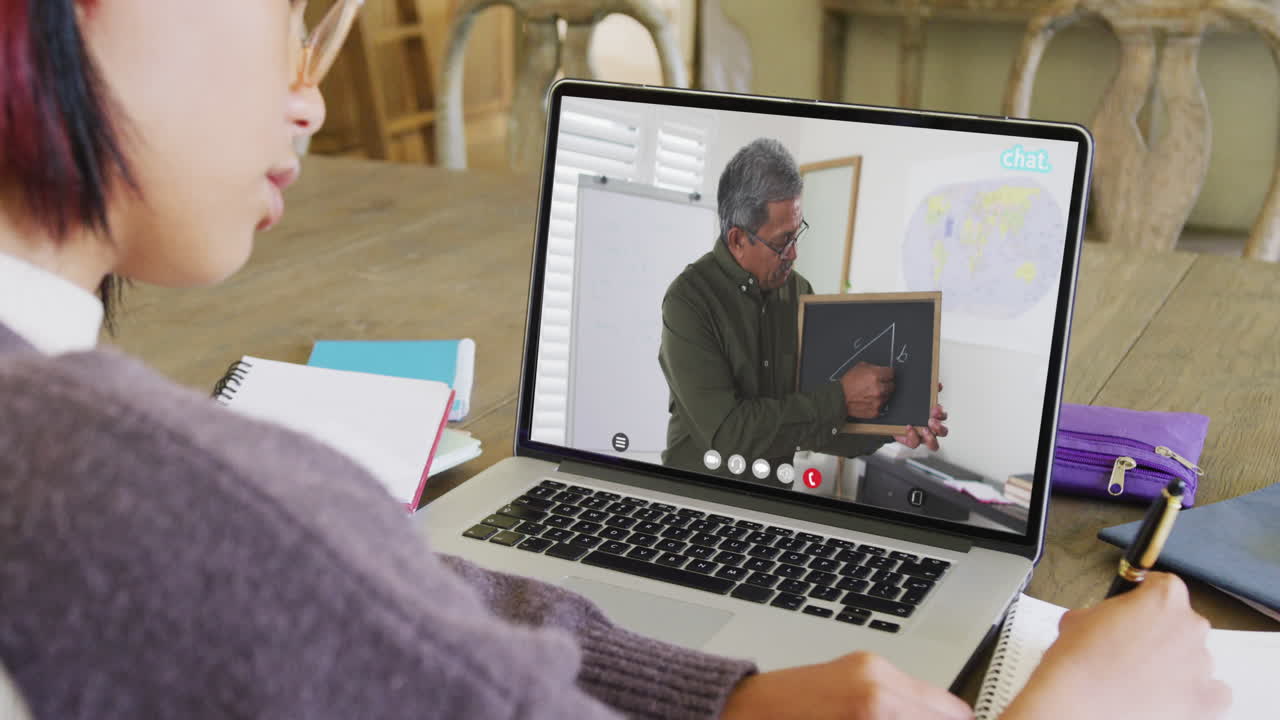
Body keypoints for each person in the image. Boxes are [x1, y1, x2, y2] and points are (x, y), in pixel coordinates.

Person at [0, 2, 1230, 719]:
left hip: (780, 503)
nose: (309, 90)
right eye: (283, 8)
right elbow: (715, 415)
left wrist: (879, 426)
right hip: (690, 469)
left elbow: (392, 610)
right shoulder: (164, 500)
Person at [659, 138, 948, 481]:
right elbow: (728, 435)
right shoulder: (687, 301)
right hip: (698, 505)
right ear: (737, 239)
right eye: (783, 242)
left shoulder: (800, 293)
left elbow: (813, 427)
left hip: (775, 507)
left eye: (797, 235)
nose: (794, 255)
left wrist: (892, 424)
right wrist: (840, 398)